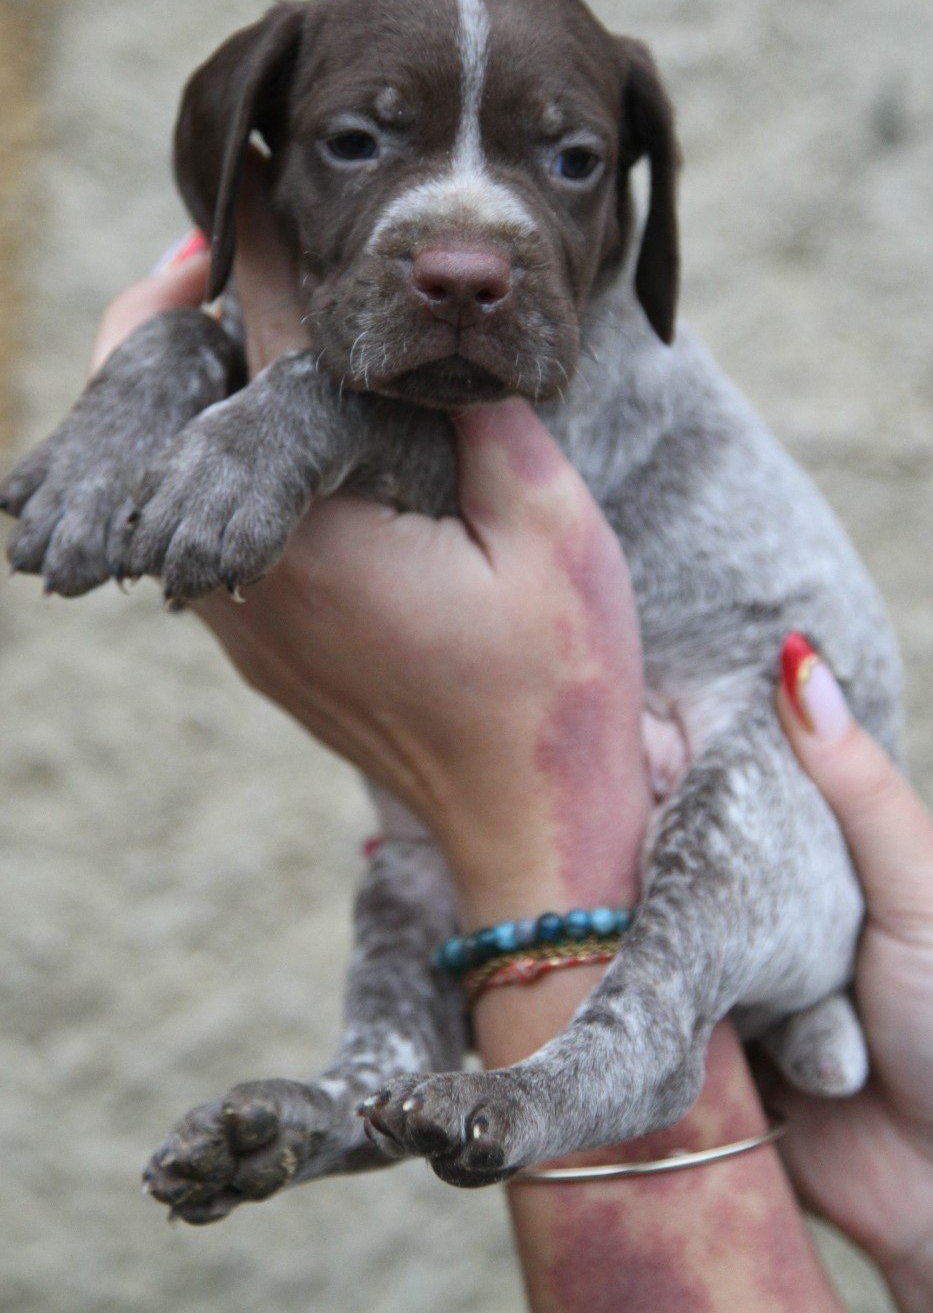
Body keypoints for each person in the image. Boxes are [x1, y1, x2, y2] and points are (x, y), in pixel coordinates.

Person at [89, 203, 933, 1310]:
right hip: (883, 1115)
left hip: (757, 738)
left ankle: (618, 1063)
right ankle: (363, 1090)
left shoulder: (600, 335)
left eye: (565, 160)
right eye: (357, 143)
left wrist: (289, 414)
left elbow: (449, 464)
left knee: (725, 807)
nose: (460, 240)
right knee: (408, 857)